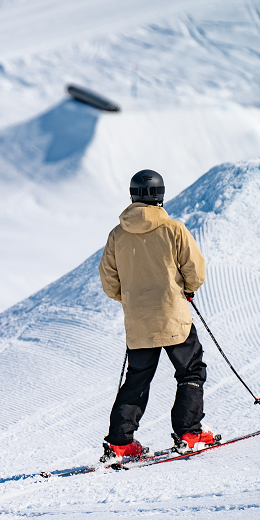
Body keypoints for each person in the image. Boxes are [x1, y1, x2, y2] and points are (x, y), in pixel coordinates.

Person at [98, 169, 215, 461]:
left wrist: (131, 301)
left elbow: (109, 282)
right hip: (173, 315)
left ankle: (121, 443)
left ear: (133, 195)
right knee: (190, 371)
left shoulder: (117, 235)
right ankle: (190, 433)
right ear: (160, 195)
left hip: (138, 322)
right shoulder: (174, 229)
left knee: (137, 379)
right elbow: (195, 271)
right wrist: (186, 290)